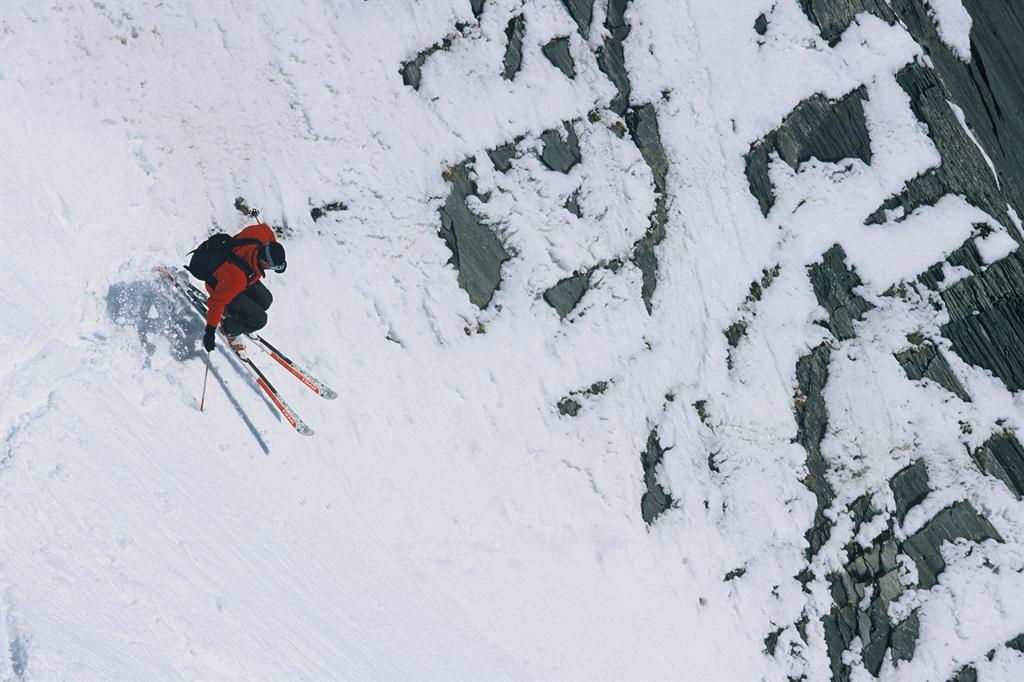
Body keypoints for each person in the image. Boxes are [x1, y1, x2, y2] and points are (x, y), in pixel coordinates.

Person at [202, 222, 286, 357]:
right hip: (220, 285)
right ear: (264, 262)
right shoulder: (237, 277)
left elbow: (266, 230)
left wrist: (273, 248)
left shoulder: (259, 238)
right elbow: (216, 301)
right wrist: (210, 331)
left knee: (266, 300)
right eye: (273, 267)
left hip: (236, 279)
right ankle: (228, 328)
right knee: (259, 319)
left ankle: (241, 318)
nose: (272, 270)